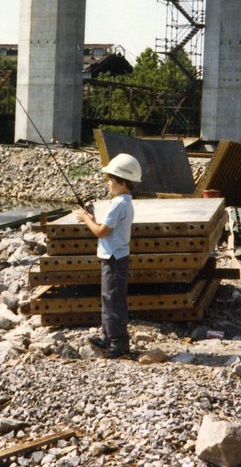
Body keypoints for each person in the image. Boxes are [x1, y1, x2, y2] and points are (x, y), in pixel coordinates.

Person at [74, 153, 141, 359]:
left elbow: (101, 232)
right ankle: (107, 337)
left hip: (113, 258)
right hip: (116, 256)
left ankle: (119, 344)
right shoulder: (124, 202)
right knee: (109, 298)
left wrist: (86, 218)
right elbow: (107, 227)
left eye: (110, 179)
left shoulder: (118, 204)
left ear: (122, 181)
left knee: (113, 301)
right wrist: (93, 218)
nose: (108, 183)